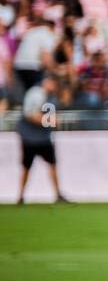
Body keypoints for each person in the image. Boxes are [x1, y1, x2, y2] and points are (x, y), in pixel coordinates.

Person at [17, 75, 67, 204]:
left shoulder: (51, 97)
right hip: (30, 137)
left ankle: (58, 194)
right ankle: (21, 196)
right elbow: (30, 115)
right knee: (26, 167)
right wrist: (50, 121)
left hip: (43, 137)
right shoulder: (35, 94)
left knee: (52, 164)